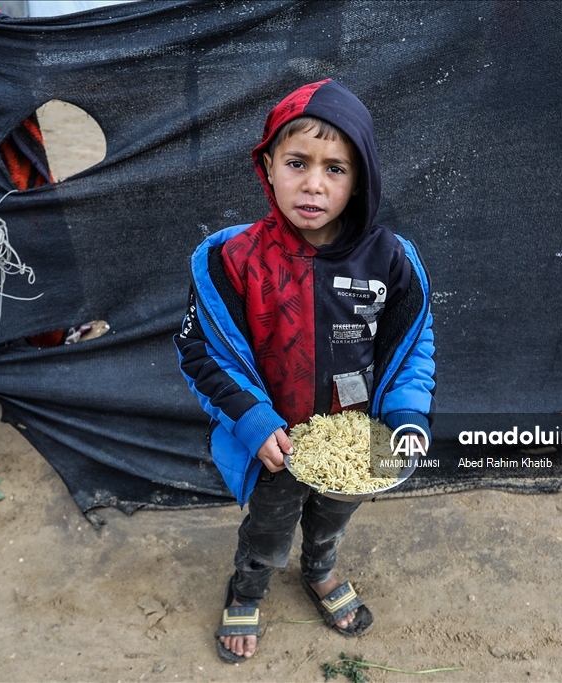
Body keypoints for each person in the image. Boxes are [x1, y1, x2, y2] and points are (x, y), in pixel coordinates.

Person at [174, 79, 435, 663]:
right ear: (268, 165)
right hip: (278, 443)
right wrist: (251, 420)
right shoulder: (232, 260)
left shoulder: (391, 259)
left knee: (332, 519)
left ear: (360, 178)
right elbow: (202, 352)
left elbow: (413, 345)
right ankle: (249, 586)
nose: (313, 183)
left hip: (354, 440)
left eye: (336, 169)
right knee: (268, 528)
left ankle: (319, 570)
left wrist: (407, 417)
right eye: (297, 162)